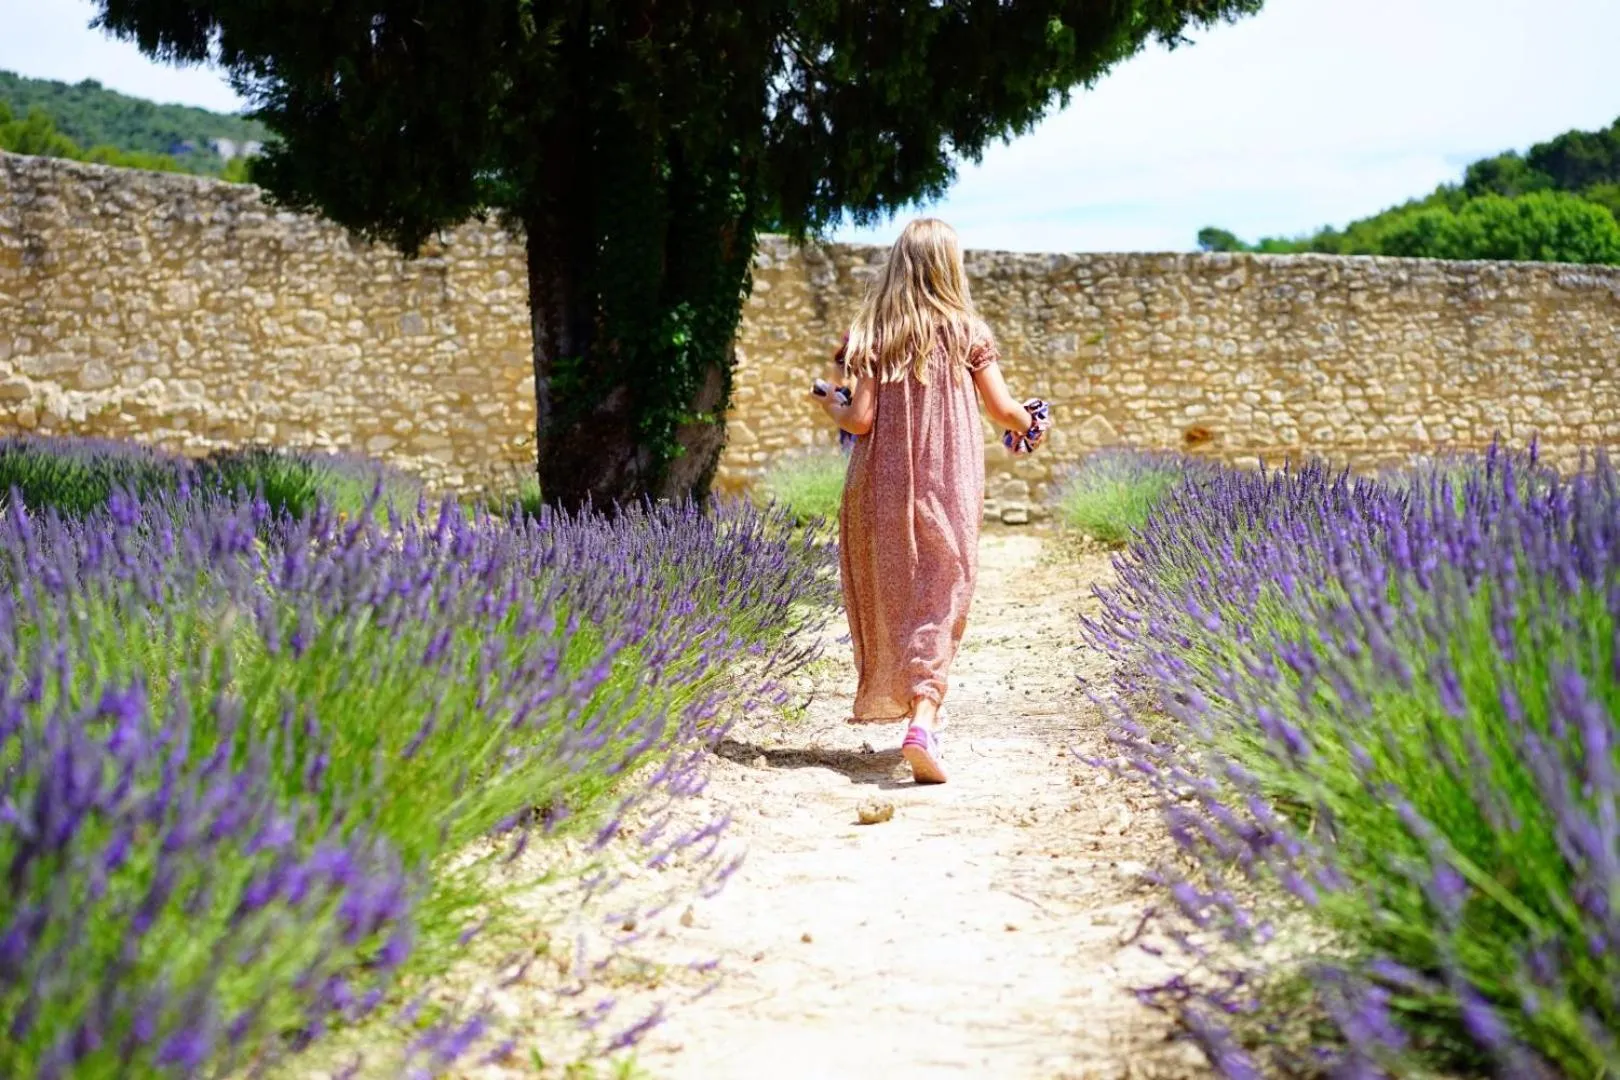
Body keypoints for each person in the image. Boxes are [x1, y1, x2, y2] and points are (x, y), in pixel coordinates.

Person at [809, 218, 1047, 784]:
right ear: (948, 266)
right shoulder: (967, 331)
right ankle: (923, 716)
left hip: (879, 482)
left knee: (894, 588)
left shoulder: (873, 331)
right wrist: (1033, 423)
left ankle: (909, 700)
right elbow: (1003, 411)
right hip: (950, 477)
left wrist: (830, 406)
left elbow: (860, 418)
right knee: (944, 589)